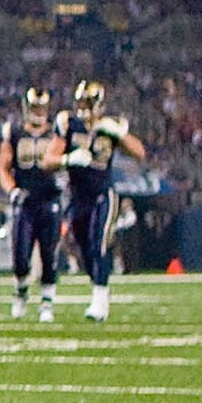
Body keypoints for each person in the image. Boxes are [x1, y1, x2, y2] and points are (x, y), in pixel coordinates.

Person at [53, 80, 146, 324]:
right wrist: (67, 159)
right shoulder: (69, 124)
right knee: (85, 251)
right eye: (81, 102)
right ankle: (99, 289)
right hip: (78, 197)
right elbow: (48, 159)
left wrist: (119, 133)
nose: (83, 108)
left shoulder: (109, 126)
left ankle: (100, 298)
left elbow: (139, 153)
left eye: (88, 103)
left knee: (100, 245)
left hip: (103, 194)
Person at [0, 88, 66, 319]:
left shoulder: (57, 133)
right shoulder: (15, 133)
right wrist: (12, 190)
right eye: (35, 107)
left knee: (49, 254)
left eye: (41, 108)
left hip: (50, 199)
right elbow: (3, 167)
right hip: (25, 201)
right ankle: (20, 291)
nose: (38, 112)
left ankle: (47, 302)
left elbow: (67, 160)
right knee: (21, 254)